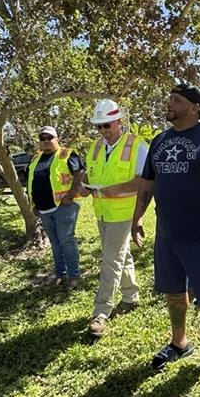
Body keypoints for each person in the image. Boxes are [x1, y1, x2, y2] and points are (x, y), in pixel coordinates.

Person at [131, 83, 200, 384]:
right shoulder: (159, 141)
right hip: (167, 234)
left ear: (194, 107)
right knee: (174, 292)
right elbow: (147, 183)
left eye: (176, 100)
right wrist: (137, 217)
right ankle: (179, 342)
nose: (168, 104)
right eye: (168, 99)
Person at [84, 99, 149, 338]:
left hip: (124, 214)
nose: (103, 131)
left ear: (119, 122)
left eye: (107, 125)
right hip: (102, 212)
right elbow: (91, 174)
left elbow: (147, 181)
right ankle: (131, 296)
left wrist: (117, 190)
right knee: (122, 255)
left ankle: (101, 312)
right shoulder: (95, 147)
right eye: (99, 127)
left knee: (111, 260)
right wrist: (84, 187)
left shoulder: (137, 145)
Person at [27, 125, 85, 290]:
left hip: (63, 206)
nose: (45, 141)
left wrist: (71, 194)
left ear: (56, 139)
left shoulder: (66, 154)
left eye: (49, 138)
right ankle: (60, 274)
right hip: (44, 209)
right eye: (42, 138)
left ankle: (74, 276)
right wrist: (34, 204)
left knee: (66, 240)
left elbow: (80, 172)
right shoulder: (36, 158)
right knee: (55, 242)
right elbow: (31, 181)